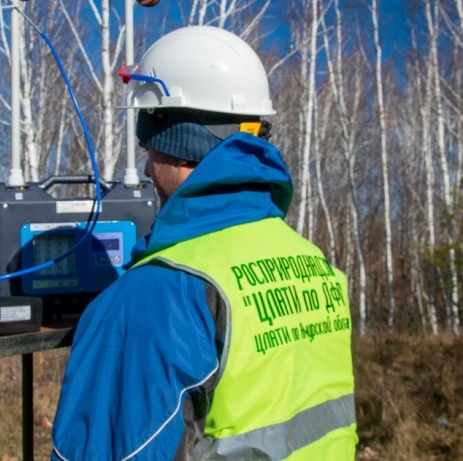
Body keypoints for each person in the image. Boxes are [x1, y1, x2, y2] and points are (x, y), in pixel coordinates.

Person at [51, 26, 357, 460]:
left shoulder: (155, 294)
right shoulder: (314, 263)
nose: (144, 152)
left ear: (171, 141)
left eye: (148, 135)